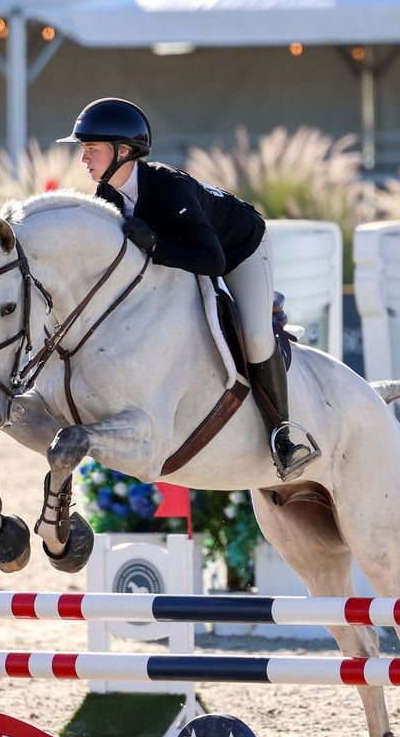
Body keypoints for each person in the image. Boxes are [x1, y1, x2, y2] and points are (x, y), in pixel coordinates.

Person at [58, 97, 321, 480]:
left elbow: (211, 261)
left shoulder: (169, 188)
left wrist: (154, 246)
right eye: (83, 150)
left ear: (124, 151)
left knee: (255, 336)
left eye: (91, 150)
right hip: (184, 256)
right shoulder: (107, 197)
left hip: (239, 250)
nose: (84, 159)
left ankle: (284, 432)